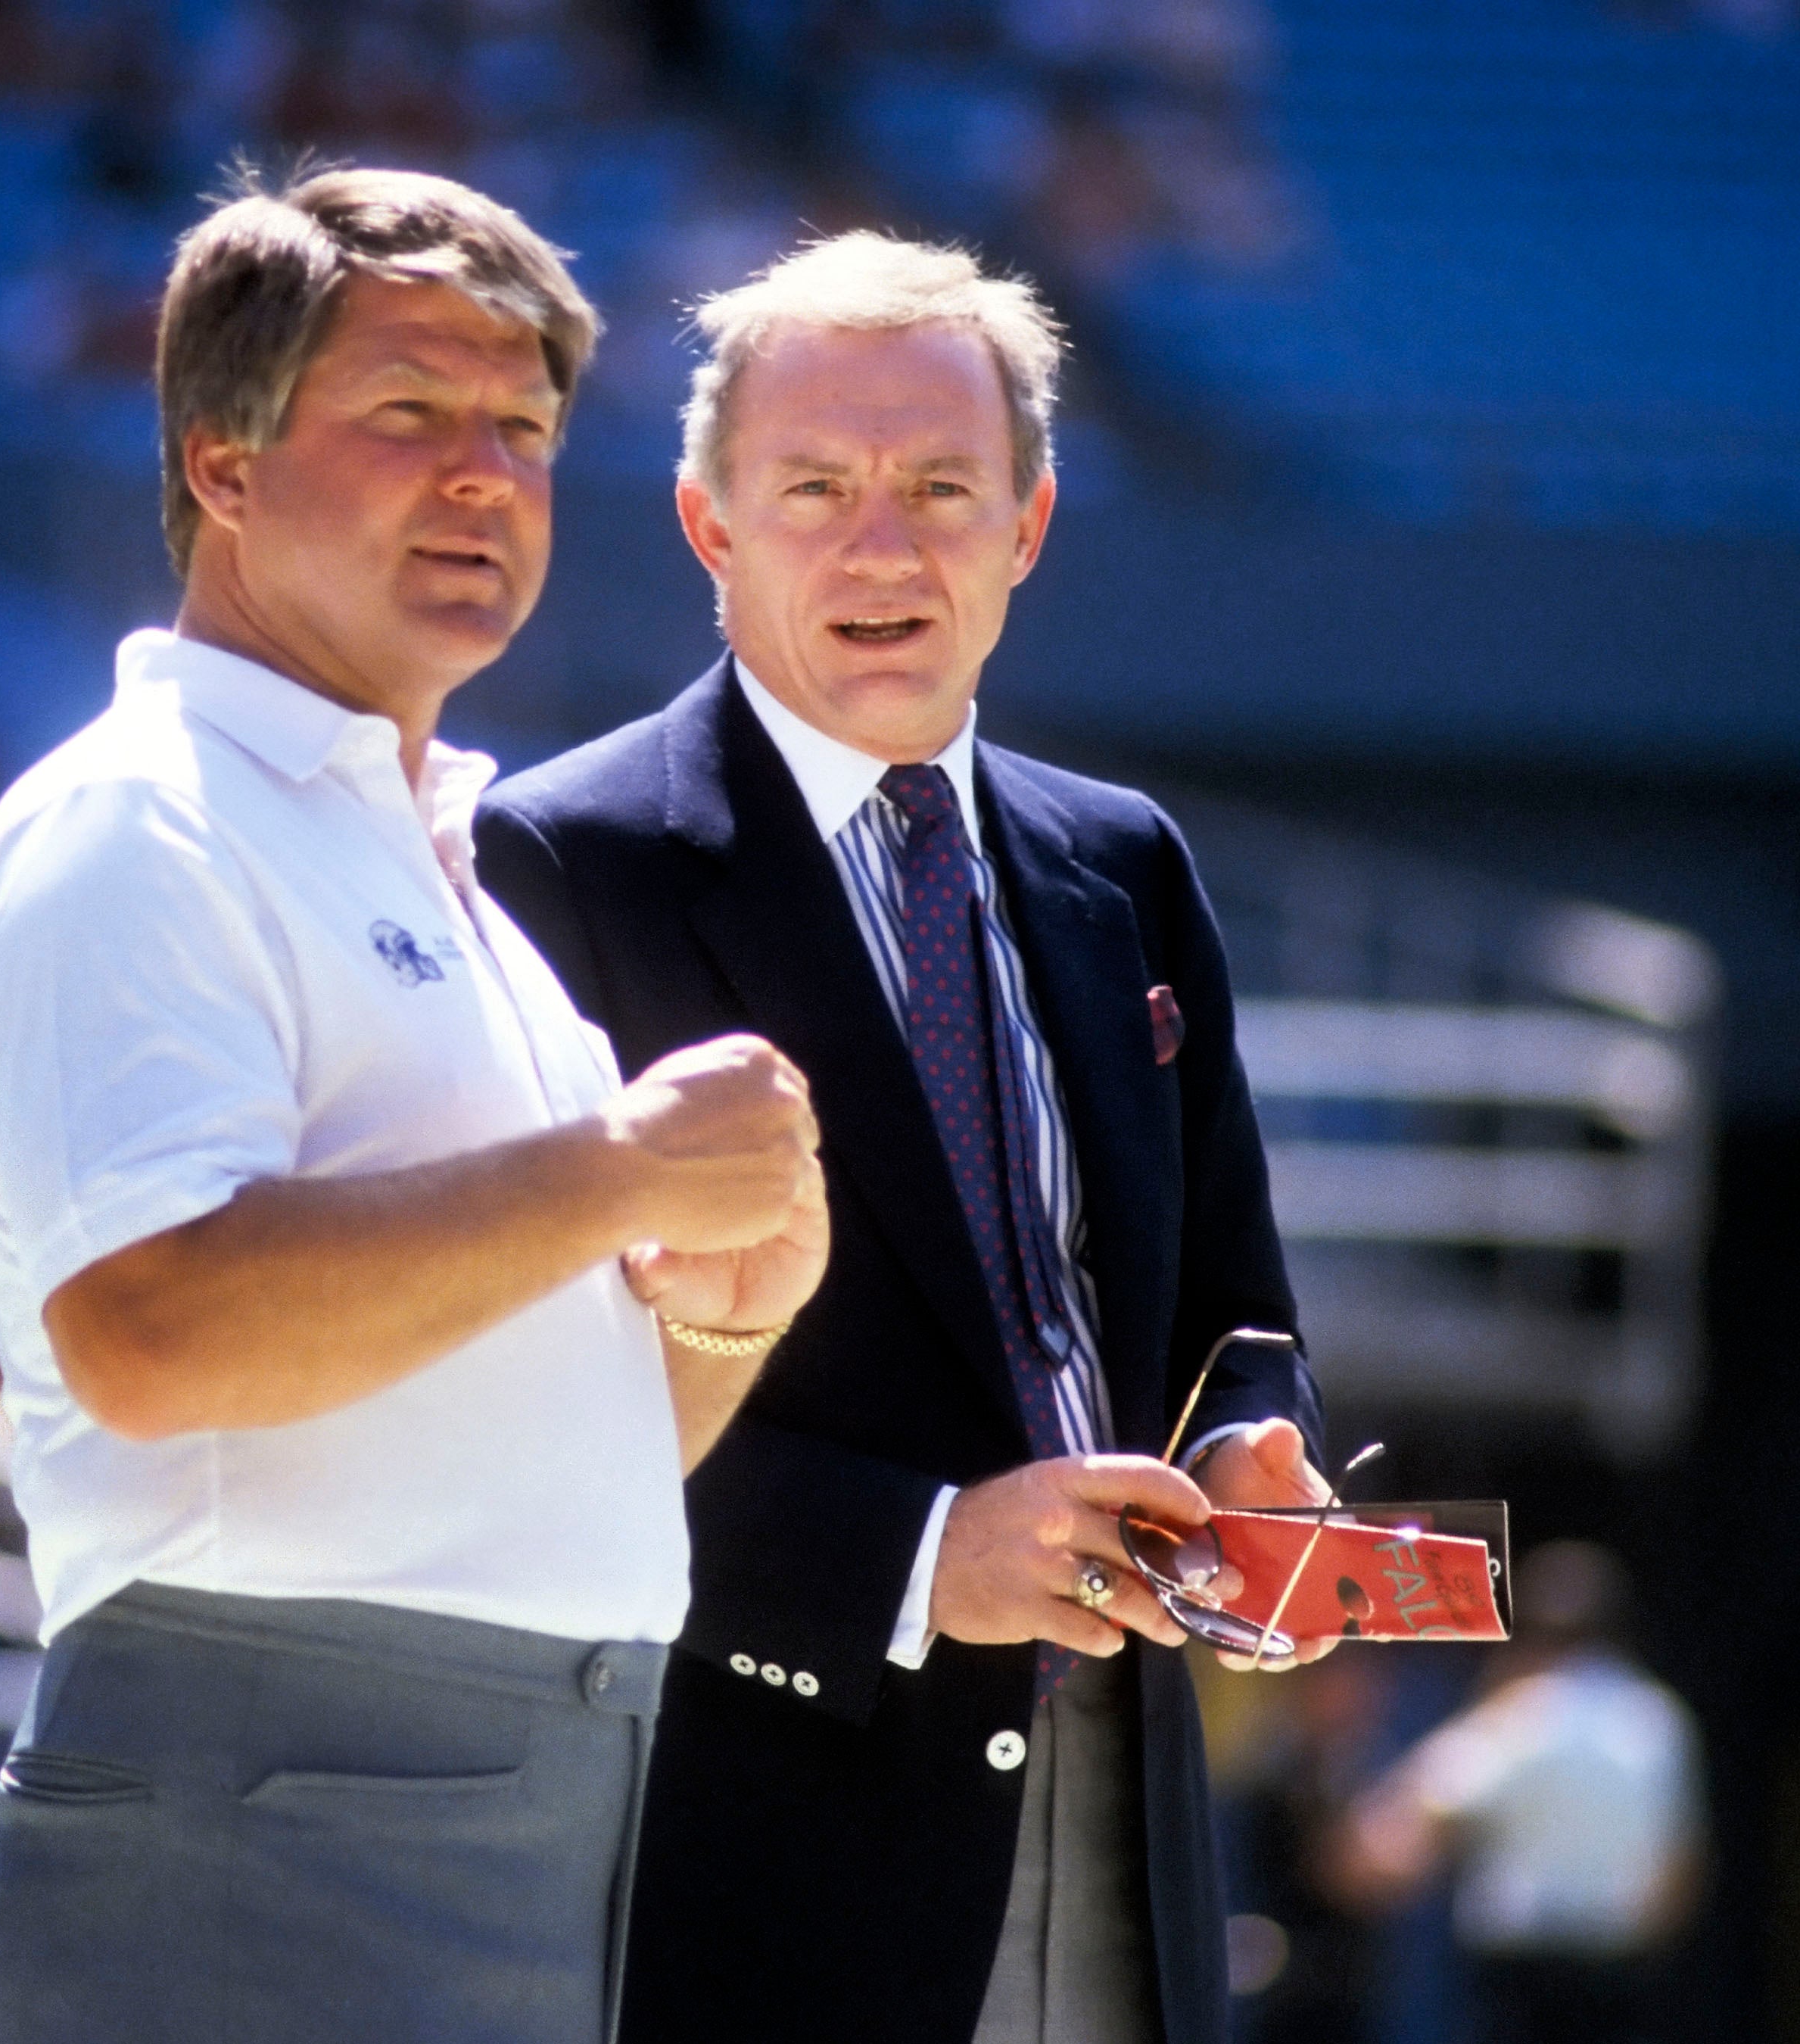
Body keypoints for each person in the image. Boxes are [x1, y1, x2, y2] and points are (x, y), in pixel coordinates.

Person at [0, 167, 829, 2044]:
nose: (485, 474)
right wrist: (618, 1171)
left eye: (523, 427)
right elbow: (159, 1332)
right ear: (223, 465)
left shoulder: (418, 861)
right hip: (285, 1777)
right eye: (409, 413)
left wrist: (722, 1315)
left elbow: (534, 1445)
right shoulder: (139, 819)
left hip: (472, 1779)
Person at [475, 231, 1331, 2044]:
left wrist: (1263, 1452)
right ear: (711, 527)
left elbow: (1235, 1311)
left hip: (1127, 1832)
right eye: (817, 489)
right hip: (763, 1851)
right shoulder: (562, 867)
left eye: (944, 487)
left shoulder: (1129, 865)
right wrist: (923, 1550)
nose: (885, 544)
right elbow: (520, 1415)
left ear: (1027, 524)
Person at [1334, 1541, 1706, 2044]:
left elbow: (1406, 1823)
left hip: (1525, 1983)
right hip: (1623, 1979)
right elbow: (1681, 1873)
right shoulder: (1660, 1719)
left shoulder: (1522, 1712)